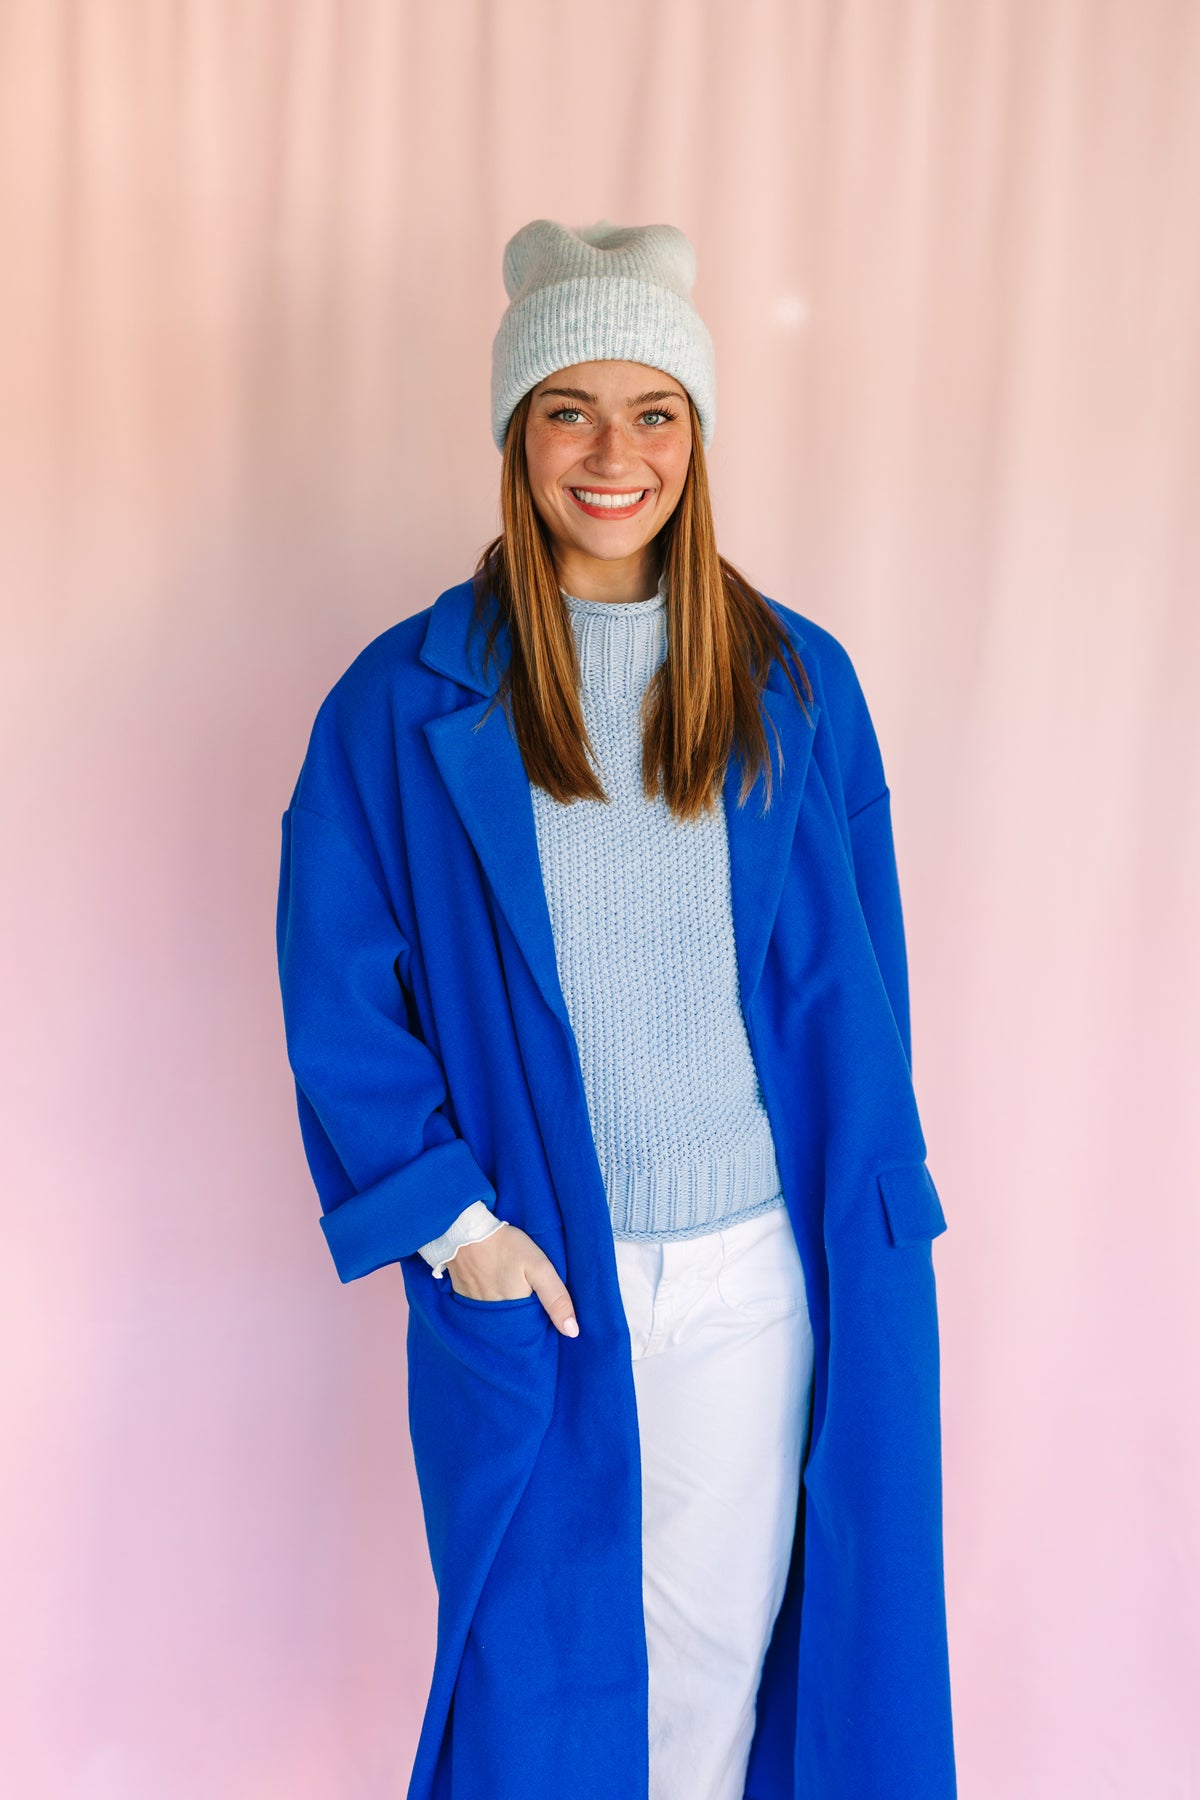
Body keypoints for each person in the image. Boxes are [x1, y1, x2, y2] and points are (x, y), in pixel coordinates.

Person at [275, 218, 956, 1800]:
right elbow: (336, 987)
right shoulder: (404, 701)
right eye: (569, 408)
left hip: (754, 1275)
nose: (612, 453)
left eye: (653, 412)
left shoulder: (800, 683)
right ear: (518, 434)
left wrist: (865, 1210)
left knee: (720, 1677)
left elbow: (871, 995)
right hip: (548, 1279)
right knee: (539, 1686)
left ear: (696, 438)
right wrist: (463, 1232)